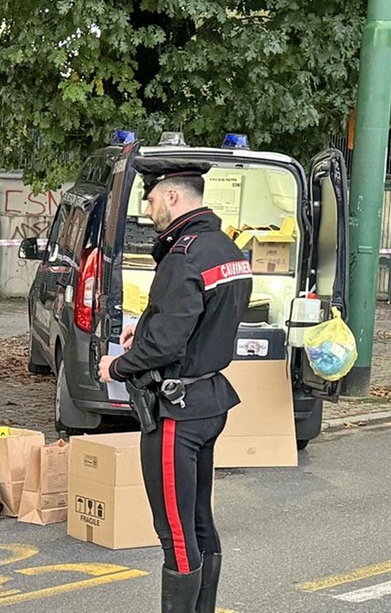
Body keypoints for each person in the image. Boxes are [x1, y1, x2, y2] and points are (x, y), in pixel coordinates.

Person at [98, 159, 252, 613]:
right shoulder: (225, 249)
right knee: (199, 517)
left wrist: (120, 366)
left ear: (171, 195)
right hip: (208, 401)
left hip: (176, 412)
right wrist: (142, 329)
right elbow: (194, 318)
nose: (147, 209)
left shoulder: (183, 255)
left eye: (149, 198)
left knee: (174, 530)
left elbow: (169, 340)